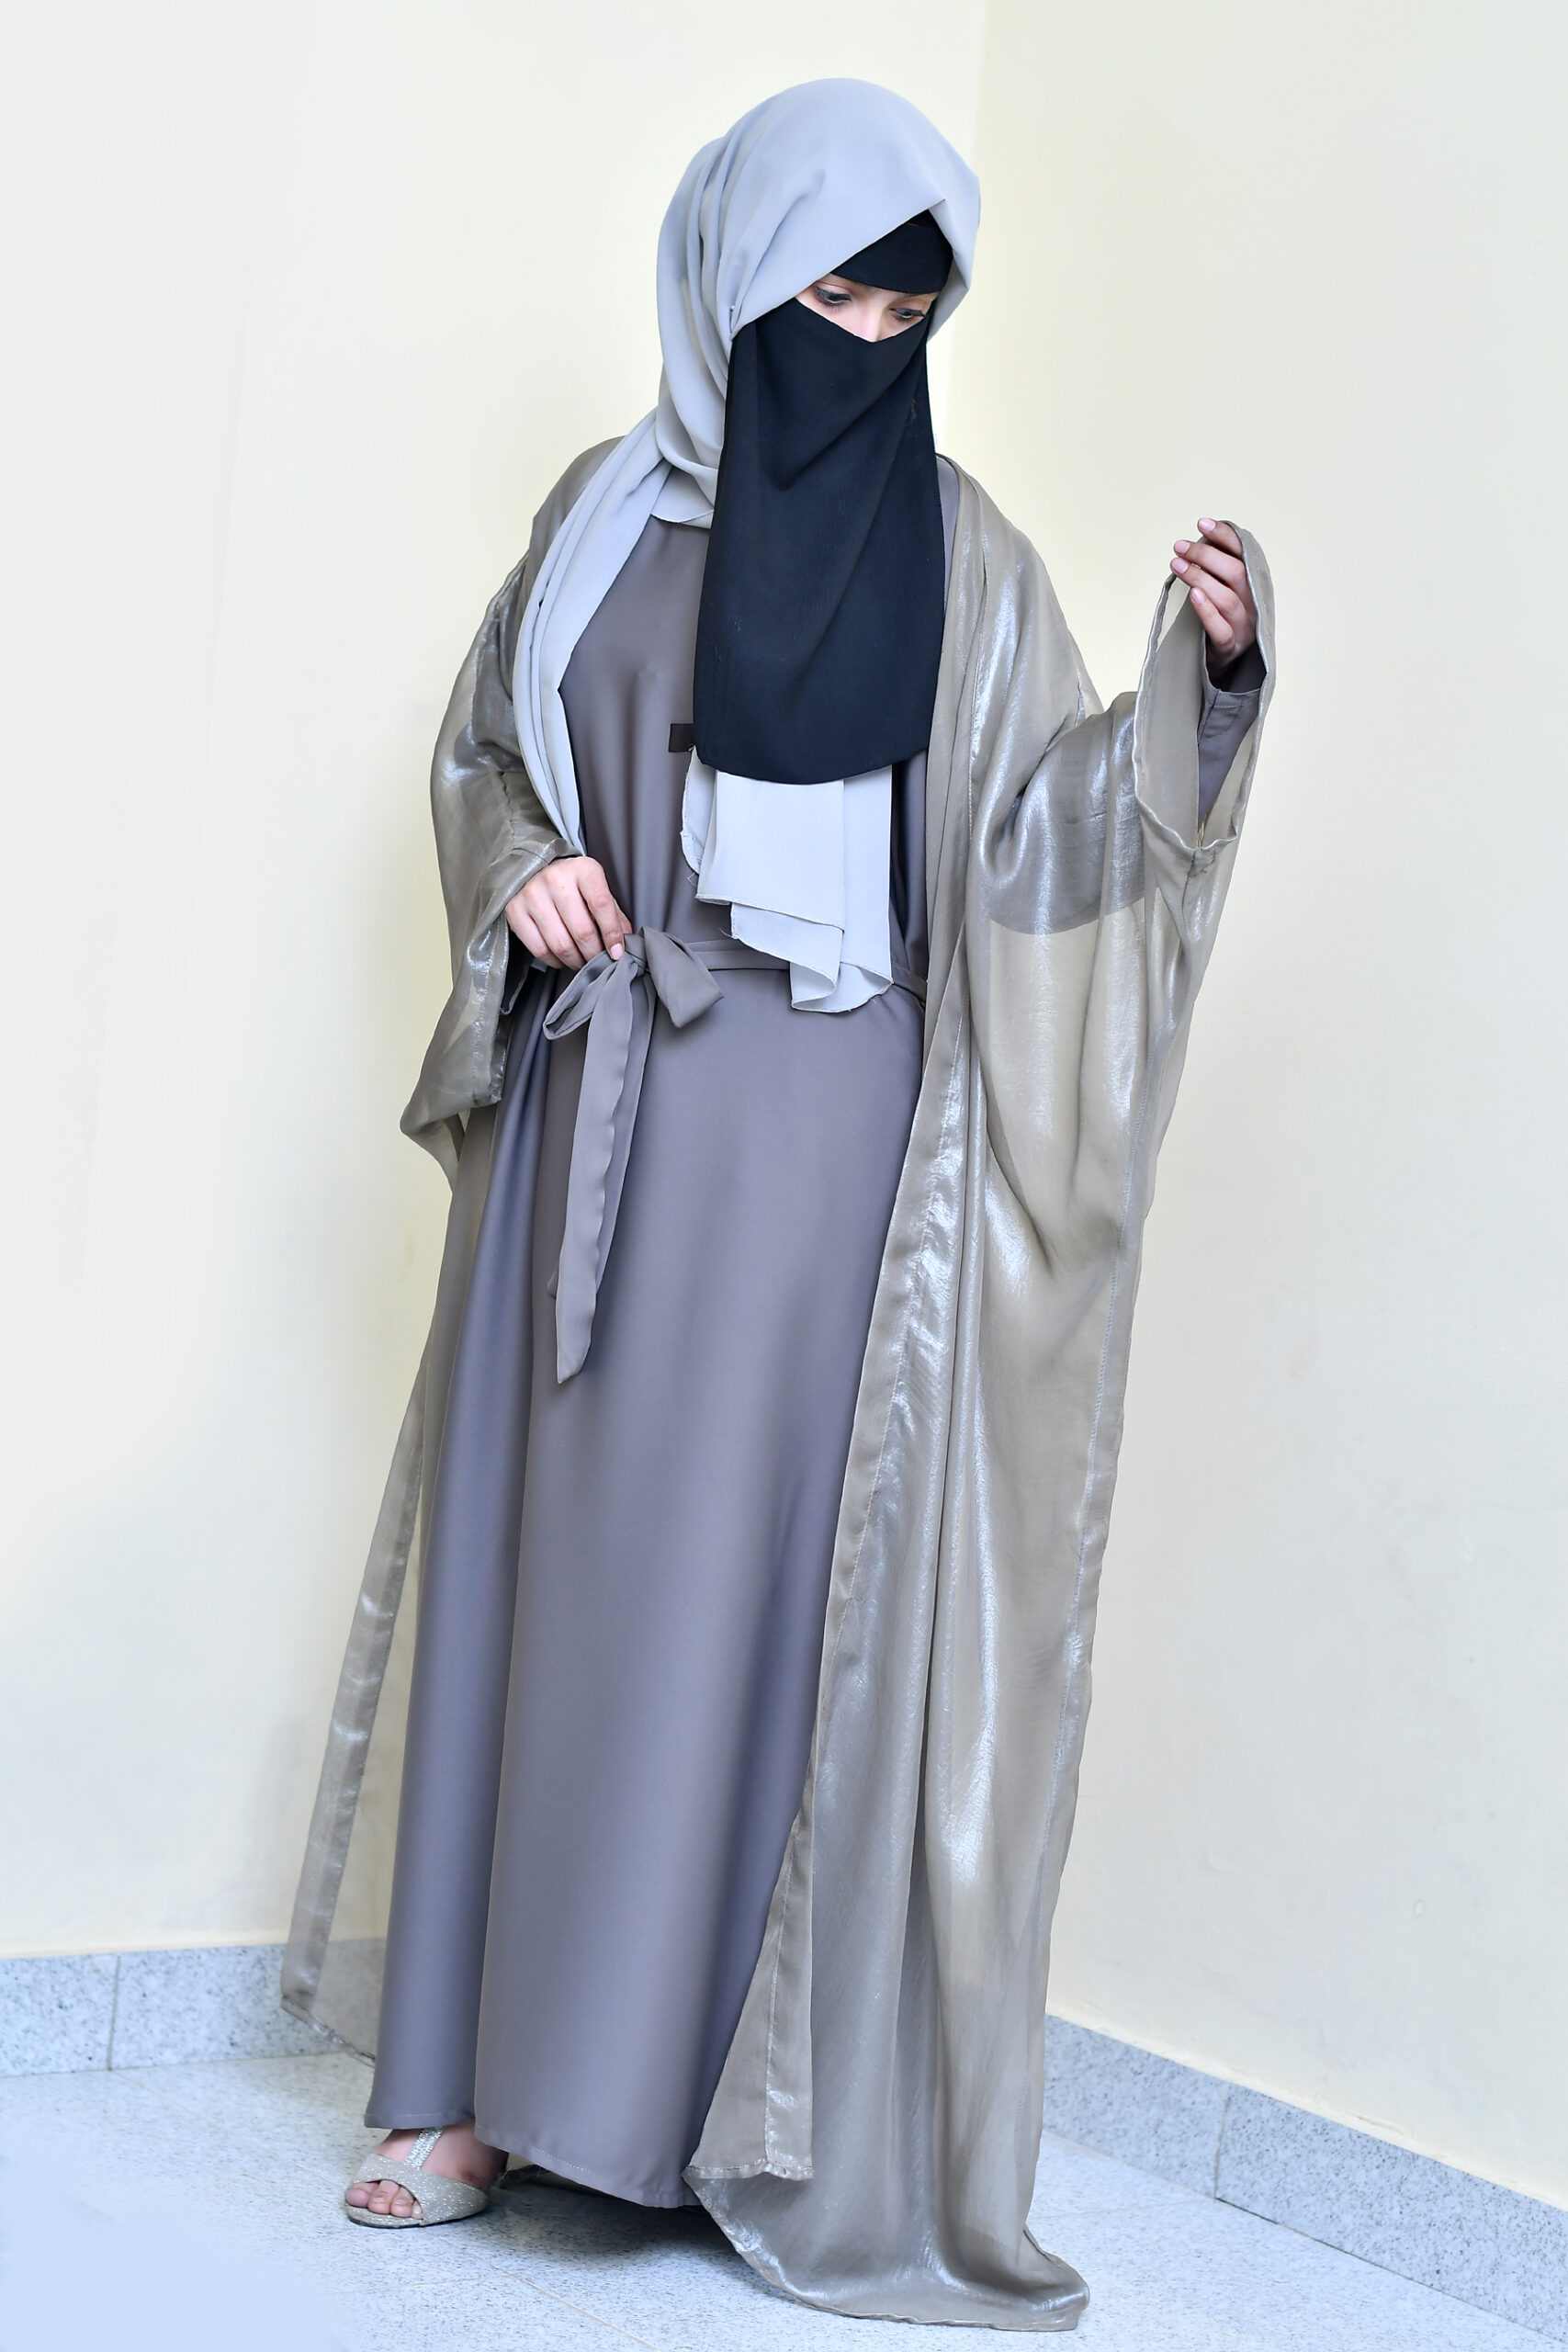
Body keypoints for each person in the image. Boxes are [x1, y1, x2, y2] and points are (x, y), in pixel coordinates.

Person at [286, 79, 1271, 2330]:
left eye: (907, 313)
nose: (867, 342)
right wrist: (521, 869)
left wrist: (1197, 698)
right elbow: (483, 753)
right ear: (731, 277)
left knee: (750, 1621)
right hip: (600, 1114)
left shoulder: (970, 560)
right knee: (554, 1588)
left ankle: (700, 2122)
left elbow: (1042, 848)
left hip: (833, 1166)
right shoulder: (595, 523)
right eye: (830, 294)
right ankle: (465, 2090)